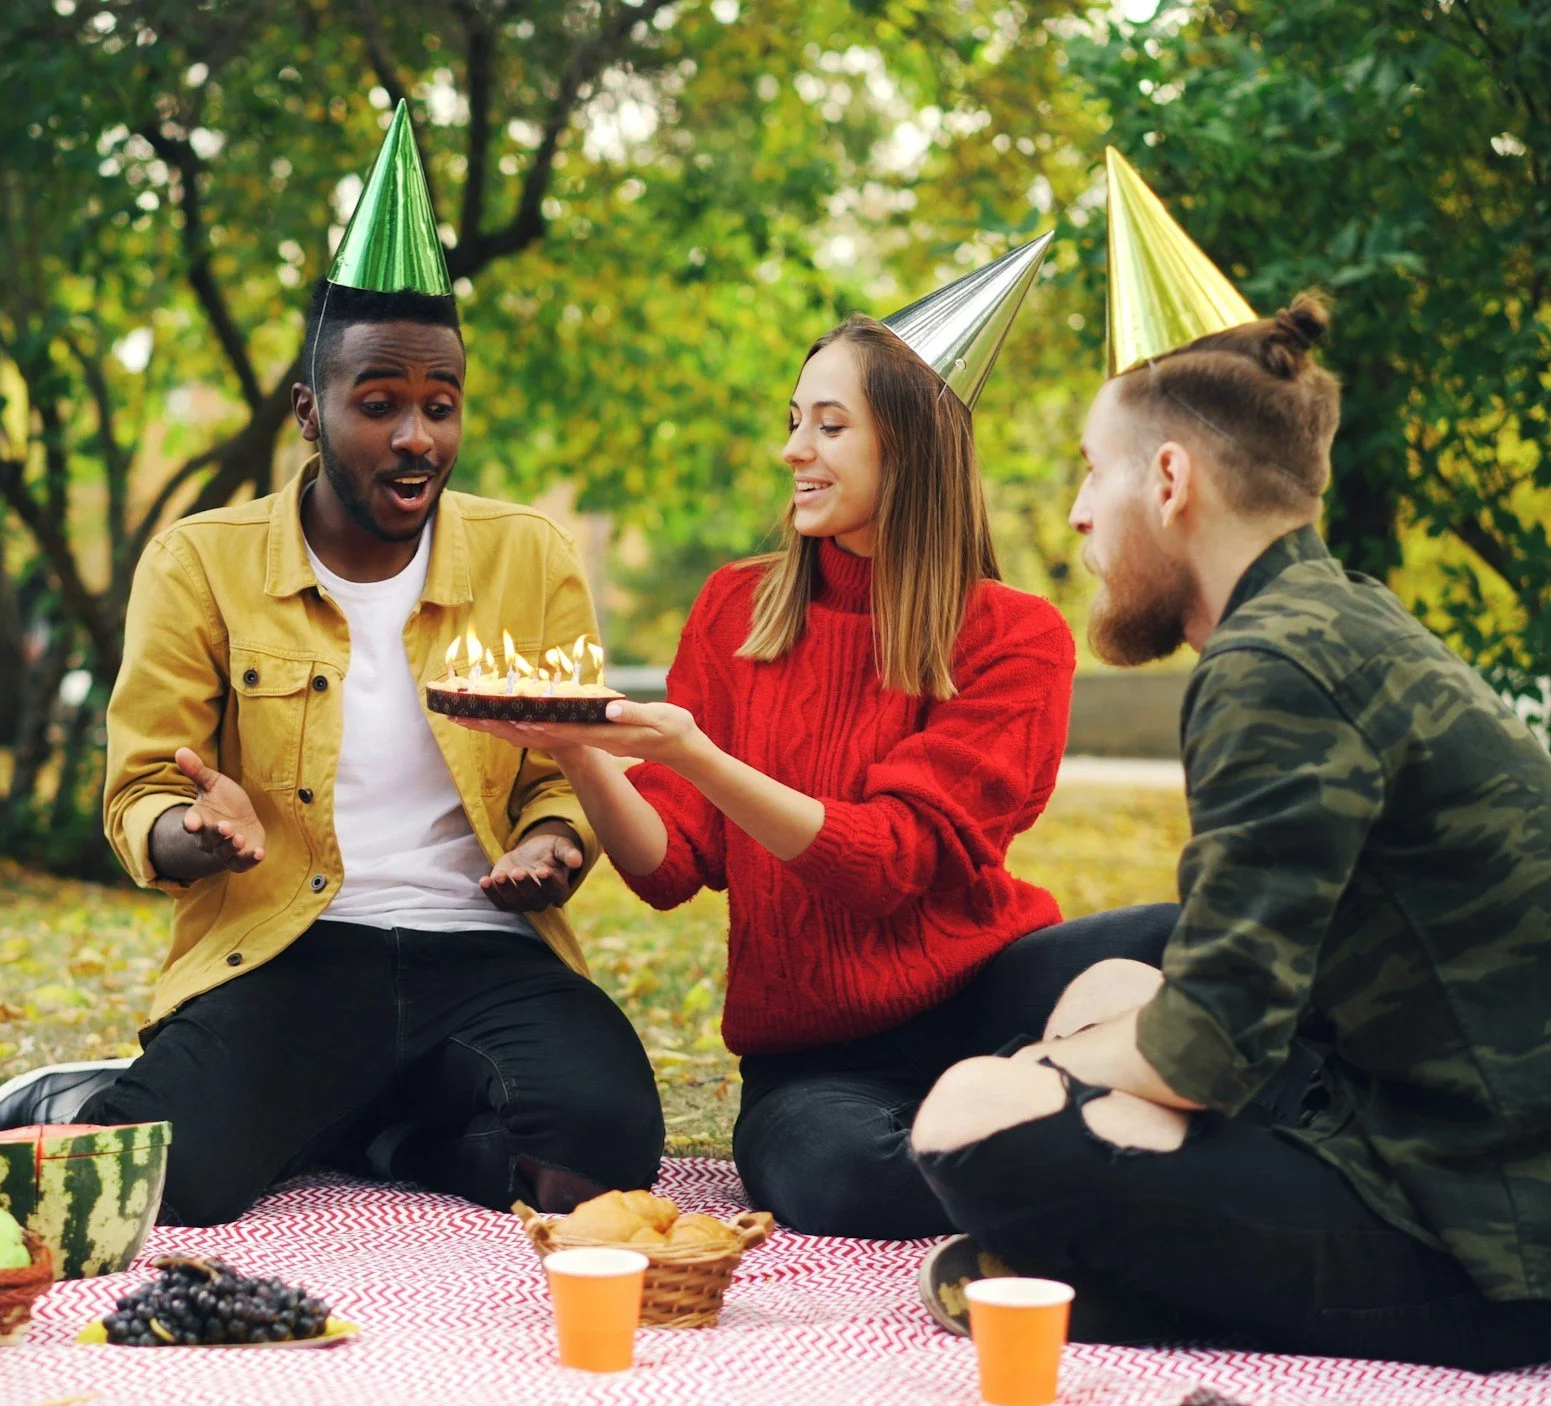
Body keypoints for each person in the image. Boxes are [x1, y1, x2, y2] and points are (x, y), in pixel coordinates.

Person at [906, 292, 1551, 1369]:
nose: (1079, 512)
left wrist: (1043, 1068)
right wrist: (1080, 1062)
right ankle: (1114, 1256)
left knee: (967, 1116)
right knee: (1104, 990)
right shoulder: (1331, 614)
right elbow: (1245, 992)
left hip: (1482, 1257)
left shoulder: (1272, 667)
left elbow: (1204, 1050)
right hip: (1461, 1156)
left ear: (1168, 479)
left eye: (1092, 471)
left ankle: (1109, 1266)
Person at [0, 103, 663, 1226]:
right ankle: (132, 1096)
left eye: (440, 406)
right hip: (292, 946)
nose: (416, 437)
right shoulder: (200, 562)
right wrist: (198, 832)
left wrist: (550, 842)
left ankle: (370, 1125)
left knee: (605, 1150)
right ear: (309, 410)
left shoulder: (528, 555)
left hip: (485, 954)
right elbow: (139, 795)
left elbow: (560, 769)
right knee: (174, 1184)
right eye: (378, 404)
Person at [460, 258, 1197, 1237]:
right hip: (815, 1060)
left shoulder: (1014, 636)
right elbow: (669, 867)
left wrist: (697, 755)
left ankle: (1030, 1100)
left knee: (1198, 938)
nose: (793, 449)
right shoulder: (735, 607)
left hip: (991, 993)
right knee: (844, 1181)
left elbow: (889, 864)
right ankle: (1081, 1117)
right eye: (793, 420)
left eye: (830, 425)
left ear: (911, 447)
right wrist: (580, 748)